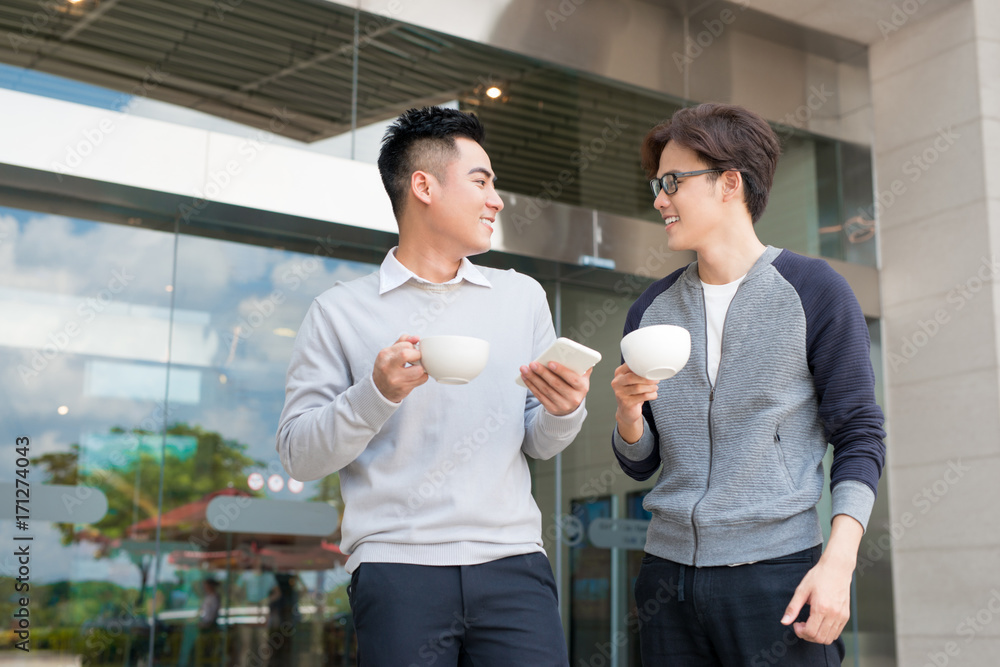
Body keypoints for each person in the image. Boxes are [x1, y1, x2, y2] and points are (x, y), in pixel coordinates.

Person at [276, 106, 592, 666]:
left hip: (514, 564)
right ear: (423, 185)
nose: (497, 199)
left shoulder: (522, 297)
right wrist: (377, 392)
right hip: (397, 569)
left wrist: (564, 411)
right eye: (482, 181)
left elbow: (537, 441)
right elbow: (299, 456)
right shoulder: (339, 312)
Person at [611, 103, 886, 664]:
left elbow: (860, 434)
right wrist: (628, 416)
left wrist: (838, 563)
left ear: (728, 183)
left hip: (779, 577)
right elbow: (642, 462)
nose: (659, 199)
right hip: (668, 580)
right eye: (655, 184)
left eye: (672, 182)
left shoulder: (814, 291)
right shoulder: (651, 311)